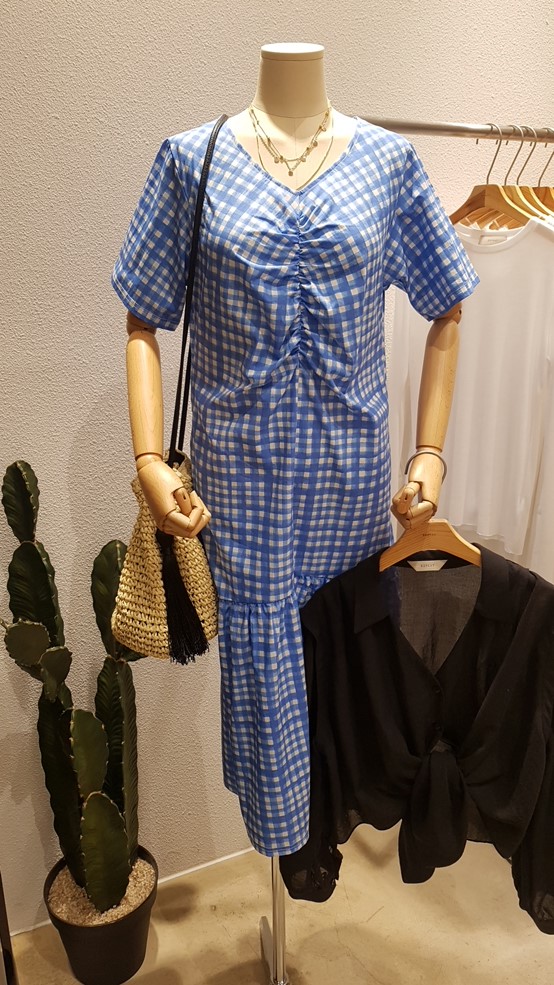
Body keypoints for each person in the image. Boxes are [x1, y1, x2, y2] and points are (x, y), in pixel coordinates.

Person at [113, 42, 479, 857]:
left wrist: (429, 452)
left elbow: (448, 303)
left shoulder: (388, 163)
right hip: (237, 491)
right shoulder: (190, 161)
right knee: (265, 654)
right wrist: (148, 462)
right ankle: (284, 837)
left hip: (352, 485)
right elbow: (142, 319)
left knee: (346, 650)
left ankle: (328, 829)